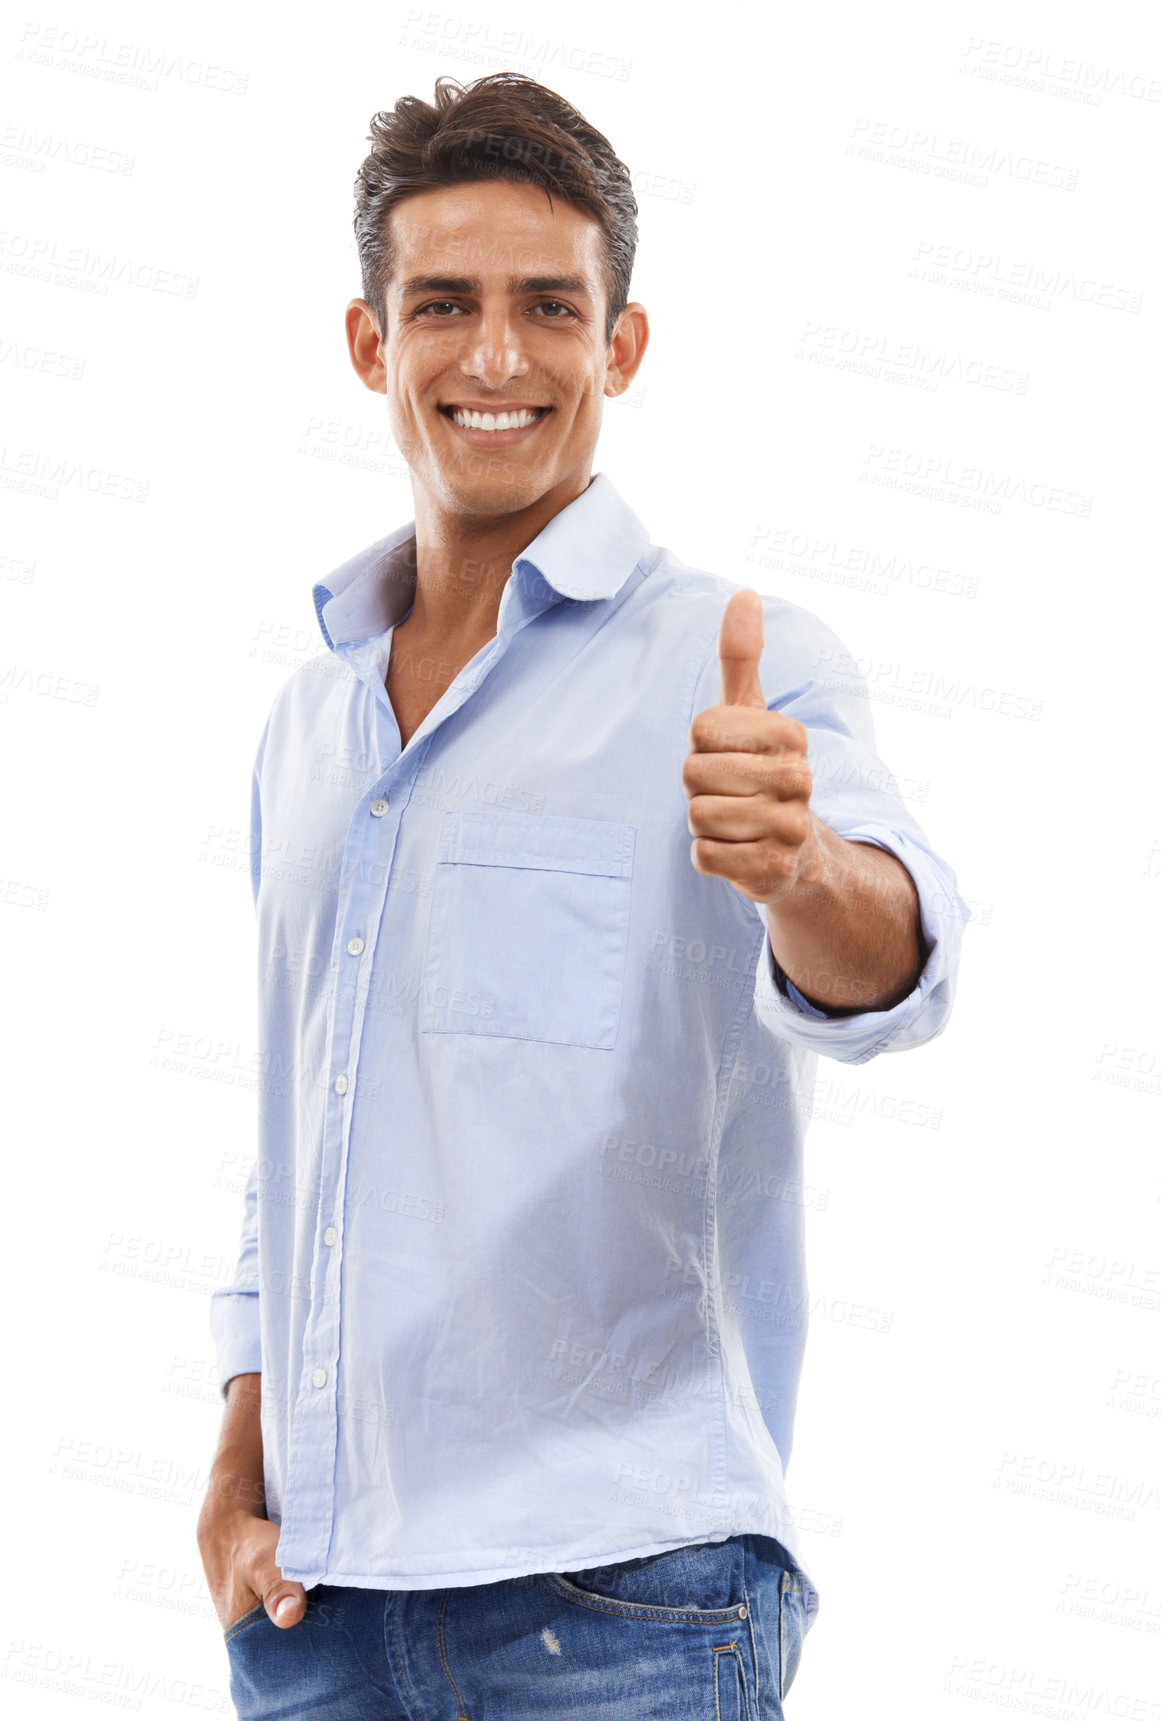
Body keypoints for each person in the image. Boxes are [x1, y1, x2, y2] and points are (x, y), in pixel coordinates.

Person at [197, 71, 967, 1720]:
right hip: (318, 1607)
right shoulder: (307, 720)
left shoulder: (729, 659)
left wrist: (798, 863)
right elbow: (296, 1141)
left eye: (549, 307)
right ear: (366, 342)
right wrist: (230, 1469)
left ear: (618, 348)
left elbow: (894, 963)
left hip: (621, 1604)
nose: (494, 357)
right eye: (443, 306)